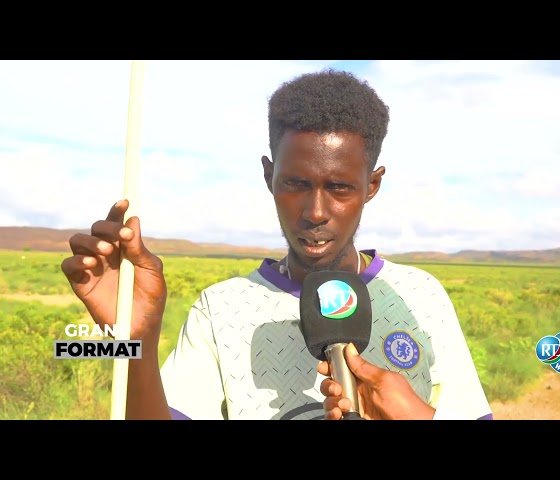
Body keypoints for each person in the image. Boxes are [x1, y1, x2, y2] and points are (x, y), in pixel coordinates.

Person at [61, 68, 493, 420]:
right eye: (295, 184)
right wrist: (138, 341)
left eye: (340, 187)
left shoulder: (420, 297)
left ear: (373, 185)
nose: (316, 211)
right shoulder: (220, 310)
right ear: (269, 176)